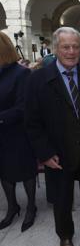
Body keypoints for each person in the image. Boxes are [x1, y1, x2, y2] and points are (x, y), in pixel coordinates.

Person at [25, 27, 80, 246]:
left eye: (75, 46)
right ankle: (65, 235)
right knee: (62, 199)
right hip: (58, 154)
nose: (71, 52)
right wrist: (44, 153)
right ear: (55, 49)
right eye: (65, 47)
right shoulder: (38, 80)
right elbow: (32, 122)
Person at [0, 31, 37, 232]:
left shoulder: (20, 73)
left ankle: (31, 206)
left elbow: (24, 107)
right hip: (1, 136)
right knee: (4, 173)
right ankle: (12, 207)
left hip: (17, 132)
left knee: (25, 172)